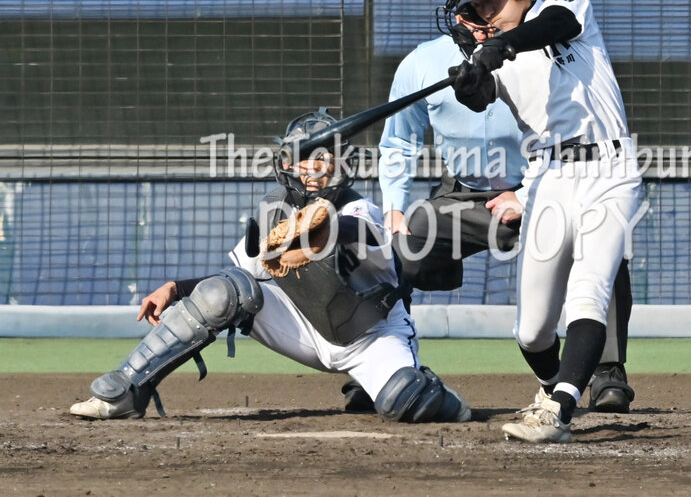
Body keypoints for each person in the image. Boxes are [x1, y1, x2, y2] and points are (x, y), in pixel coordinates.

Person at [69, 109, 471, 425]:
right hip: (307, 329)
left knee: (406, 399)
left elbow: (358, 231)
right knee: (223, 293)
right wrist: (176, 287)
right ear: (287, 163)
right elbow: (239, 275)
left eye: (324, 159)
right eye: (304, 159)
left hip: (371, 336)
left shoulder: (359, 208)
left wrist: (322, 226)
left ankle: (429, 392)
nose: (313, 169)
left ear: (341, 164)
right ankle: (127, 391)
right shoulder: (274, 210)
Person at [370, 5, 636, 416]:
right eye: (469, 13)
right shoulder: (421, 62)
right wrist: (394, 209)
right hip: (465, 197)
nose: (478, 22)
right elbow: (398, 143)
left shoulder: (538, 52)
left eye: (487, 9)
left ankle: (608, 373)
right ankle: (389, 369)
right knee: (402, 247)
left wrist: (525, 195)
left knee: (605, 248)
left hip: (541, 186)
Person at [446, 0, 644, 443]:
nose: (485, 14)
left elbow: (551, 26)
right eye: (476, 7)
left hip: (610, 170)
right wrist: (469, 80)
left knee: (588, 292)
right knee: (532, 331)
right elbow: (479, 97)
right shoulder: (492, 57)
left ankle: (559, 410)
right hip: (548, 179)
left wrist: (501, 45)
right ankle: (553, 386)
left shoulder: (567, 3)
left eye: (491, 0)